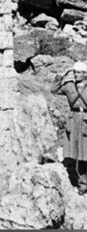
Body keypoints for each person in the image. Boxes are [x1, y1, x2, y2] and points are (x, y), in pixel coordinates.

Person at [54, 60, 87, 193]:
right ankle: (82, 182)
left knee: (86, 153)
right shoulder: (69, 86)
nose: (76, 75)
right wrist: (61, 76)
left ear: (85, 74)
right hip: (73, 121)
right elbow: (54, 89)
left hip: (86, 121)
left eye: (79, 72)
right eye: (75, 72)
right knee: (78, 153)